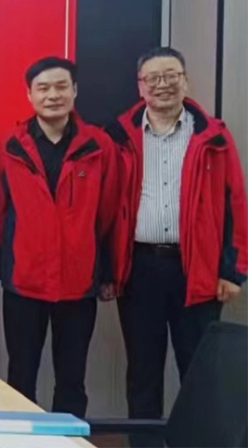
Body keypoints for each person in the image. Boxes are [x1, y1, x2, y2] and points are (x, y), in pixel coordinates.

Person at [106, 46, 246, 424]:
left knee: (200, 372)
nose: (162, 84)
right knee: (143, 373)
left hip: (197, 269)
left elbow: (235, 205)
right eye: (153, 78)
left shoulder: (214, 137)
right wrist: (108, 270)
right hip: (140, 269)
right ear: (140, 86)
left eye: (171, 75)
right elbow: (105, 207)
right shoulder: (118, 137)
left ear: (185, 80)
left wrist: (232, 272)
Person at [0, 57, 119, 418]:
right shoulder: (9, 146)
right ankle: (20, 441)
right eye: (43, 88)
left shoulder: (98, 145)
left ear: (75, 90)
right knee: (21, 374)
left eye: (61, 86)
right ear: (29, 95)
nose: (53, 95)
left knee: (72, 377)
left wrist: (99, 263)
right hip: (24, 280)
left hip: (78, 282)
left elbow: (109, 211)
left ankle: (67, 440)